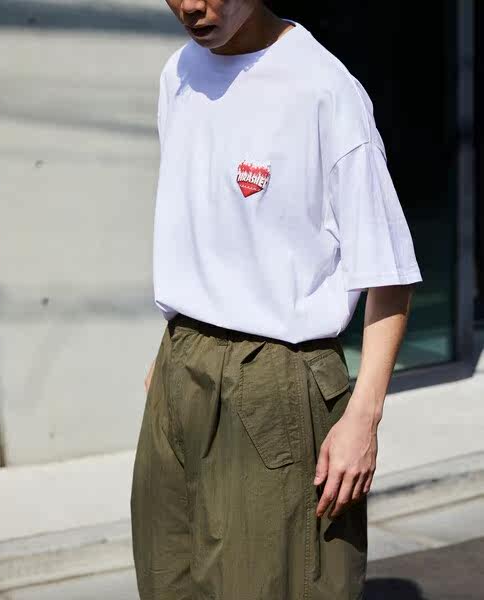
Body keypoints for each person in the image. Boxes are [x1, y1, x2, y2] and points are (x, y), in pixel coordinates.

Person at [130, 1, 423, 599]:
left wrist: (363, 418)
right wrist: (175, 352)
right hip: (181, 364)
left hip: (276, 381)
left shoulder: (323, 90)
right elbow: (206, 226)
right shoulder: (179, 72)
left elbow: (388, 272)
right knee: (166, 581)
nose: (191, 6)